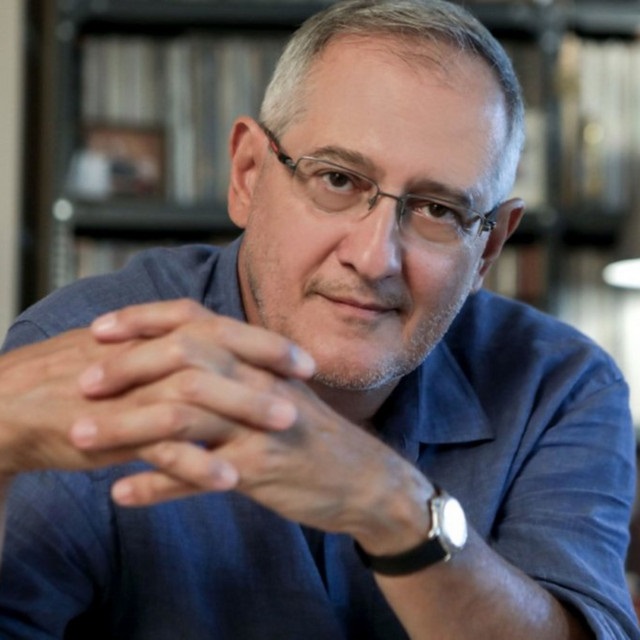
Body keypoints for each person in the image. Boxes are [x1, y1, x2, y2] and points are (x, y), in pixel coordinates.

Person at [0, 0, 637, 637]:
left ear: (488, 249)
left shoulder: (561, 387)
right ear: (248, 175)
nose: (375, 258)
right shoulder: (84, 352)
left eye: (439, 211)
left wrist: (390, 503)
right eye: (337, 179)